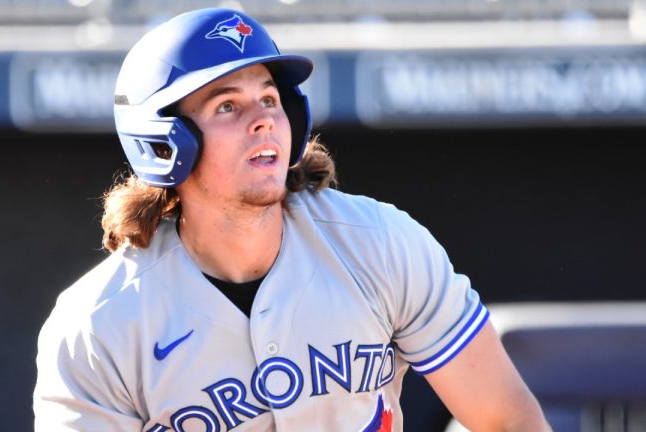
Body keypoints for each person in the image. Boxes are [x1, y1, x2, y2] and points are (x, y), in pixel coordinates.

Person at [33, 7, 550, 432]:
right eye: (227, 106)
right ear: (165, 144)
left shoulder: (381, 244)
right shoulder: (97, 326)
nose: (262, 119)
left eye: (269, 99)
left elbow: (510, 422)